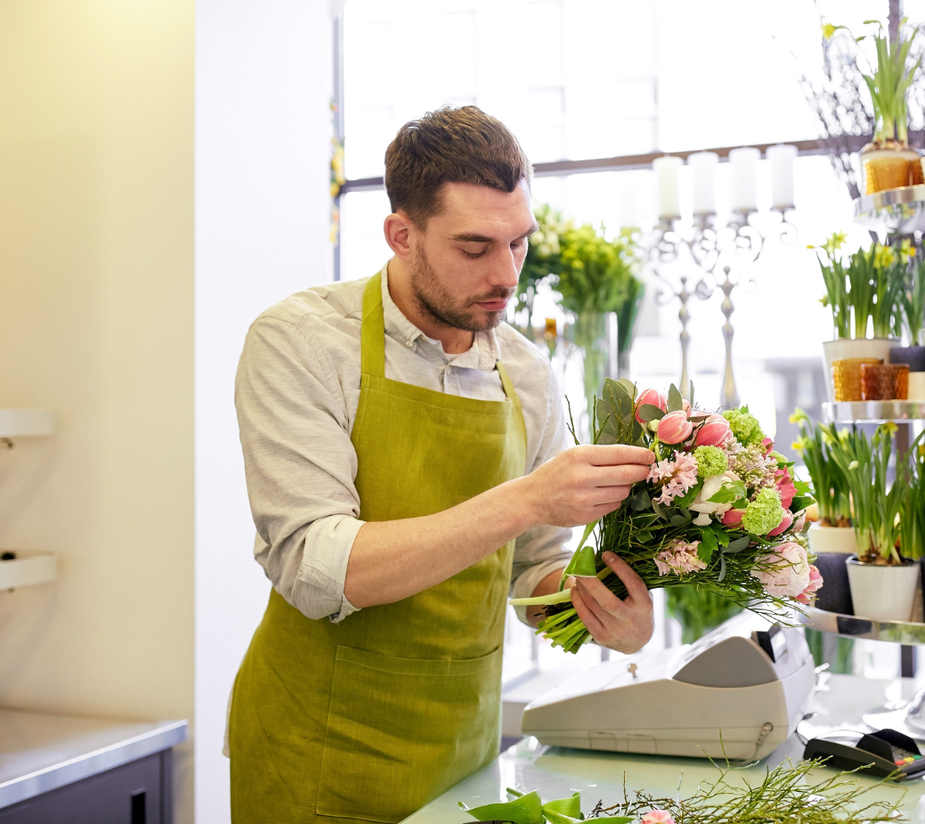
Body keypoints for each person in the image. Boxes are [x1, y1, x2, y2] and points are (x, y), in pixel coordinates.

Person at [228, 105, 656, 823]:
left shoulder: (525, 370)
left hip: (463, 751)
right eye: (474, 246)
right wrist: (526, 498)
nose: (506, 274)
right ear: (401, 234)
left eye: (519, 243)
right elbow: (318, 566)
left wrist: (603, 614)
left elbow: (531, 566)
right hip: (315, 753)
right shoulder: (300, 342)